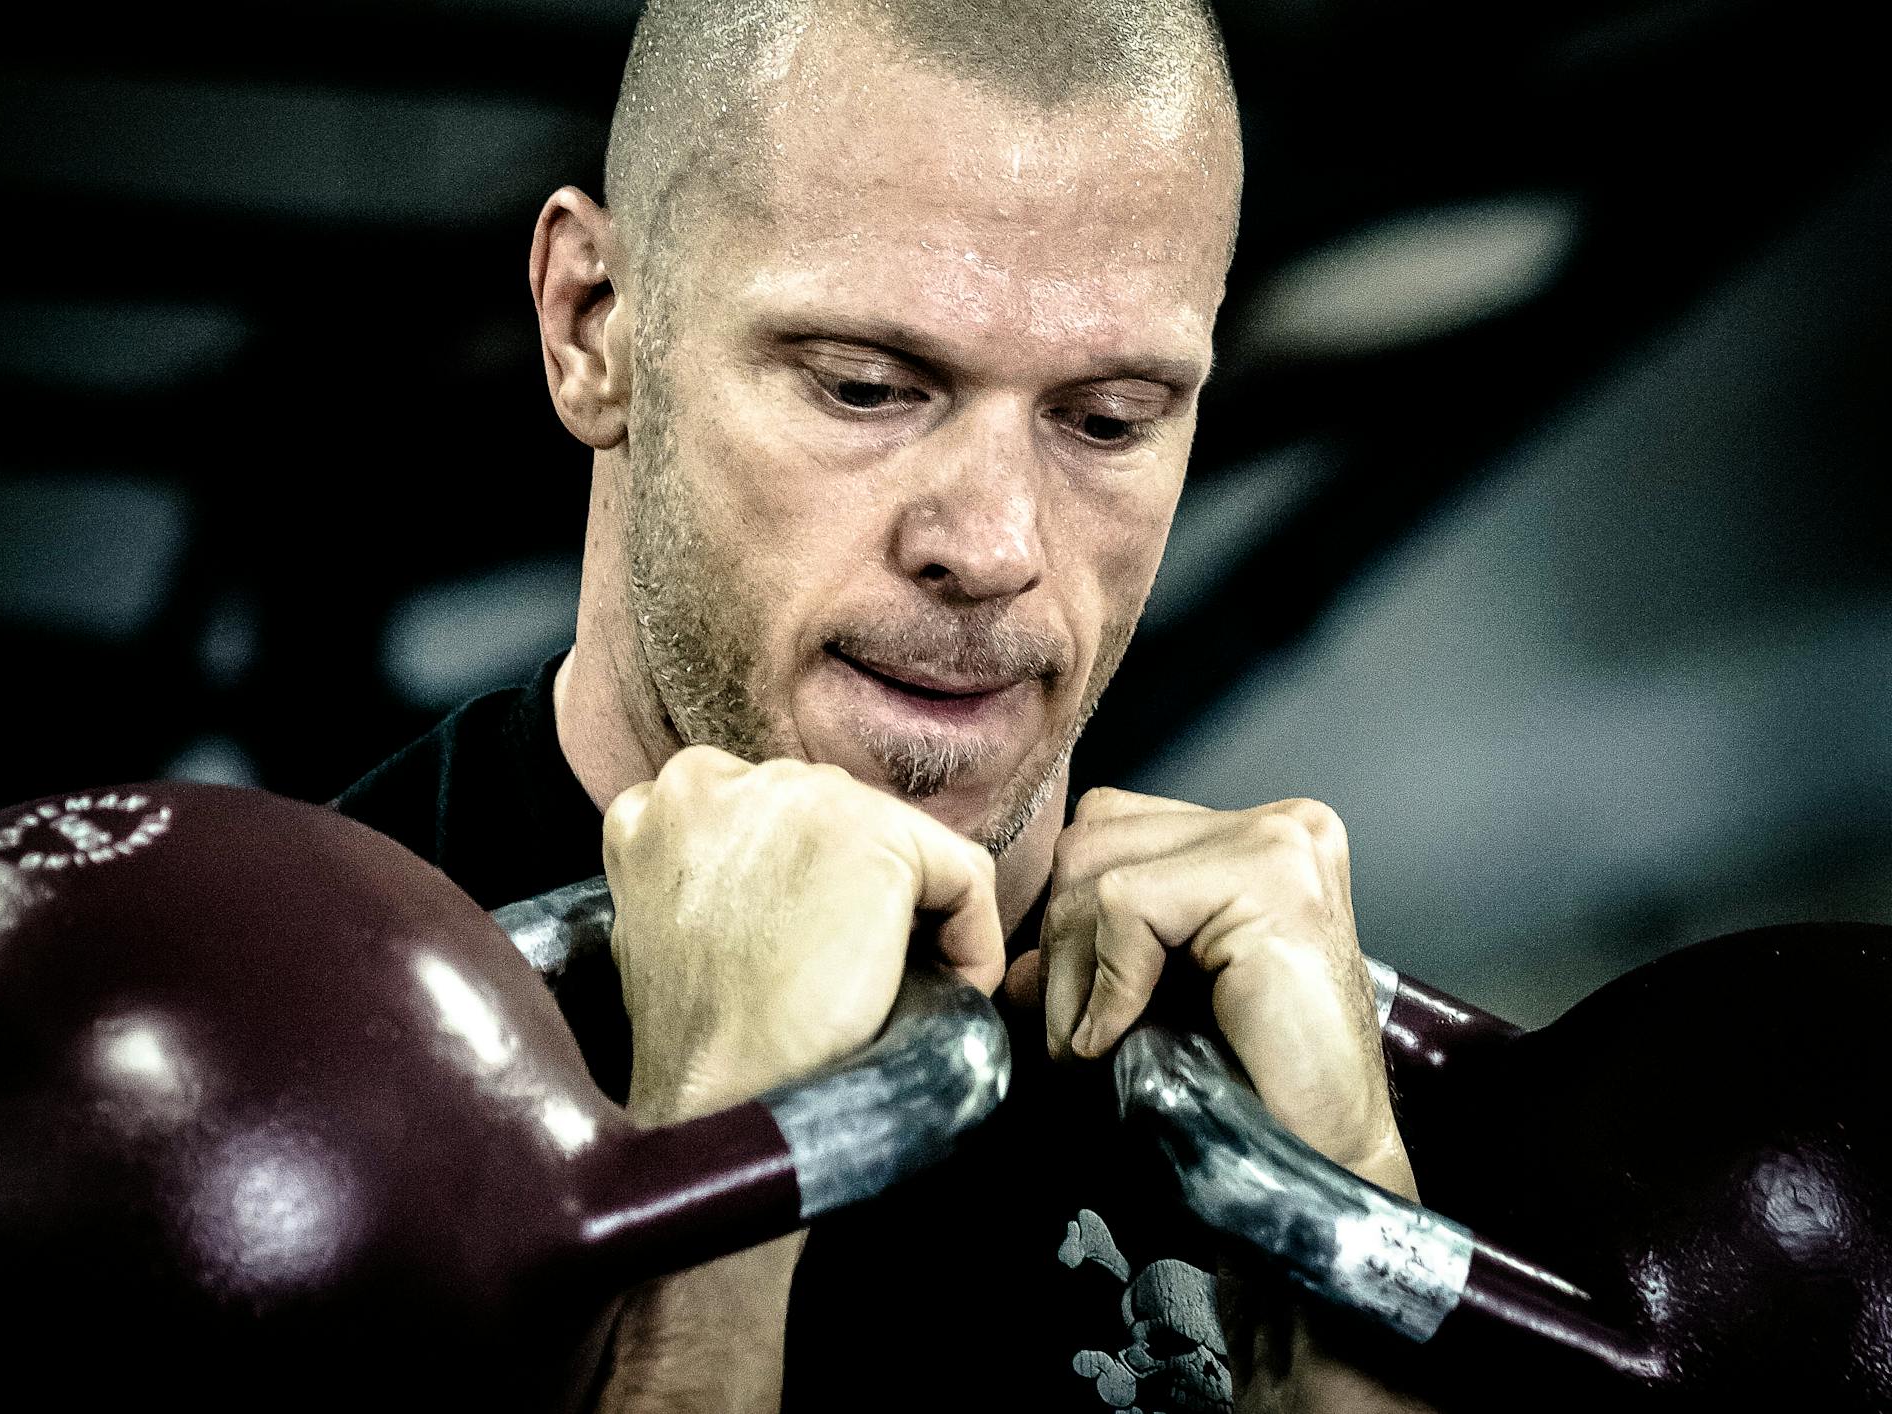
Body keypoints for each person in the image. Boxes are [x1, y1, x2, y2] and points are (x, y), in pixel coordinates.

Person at [337, 1, 1429, 1409]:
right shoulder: (268, 1060)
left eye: (1106, 420)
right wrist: (719, 1197)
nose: (990, 545)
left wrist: (1354, 1283)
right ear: (592, 328)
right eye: (866, 388)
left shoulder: (1344, 1112)